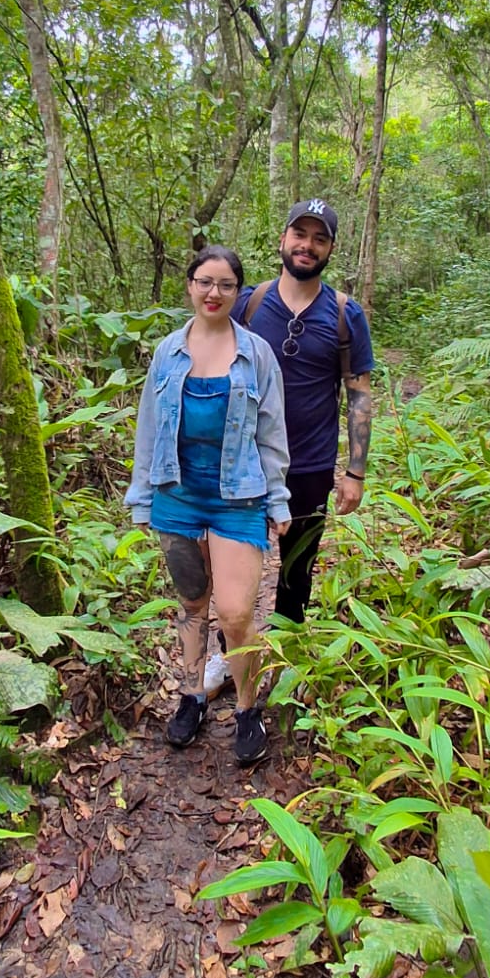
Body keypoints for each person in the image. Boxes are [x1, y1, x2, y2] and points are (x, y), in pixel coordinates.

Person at [124, 245, 291, 764]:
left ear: (237, 292)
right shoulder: (167, 353)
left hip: (237, 496)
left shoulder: (257, 353)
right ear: (190, 286)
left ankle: (246, 709)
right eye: (204, 281)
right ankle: (192, 695)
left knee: (238, 613)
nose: (213, 292)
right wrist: (142, 496)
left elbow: (271, 432)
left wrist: (278, 498)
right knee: (194, 606)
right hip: (177, 494)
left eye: (224, 284)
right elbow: (149, 428)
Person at [204, 199, 373, 694]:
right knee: (235, 569)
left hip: (310, 466)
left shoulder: (345, 315)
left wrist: (355, 471)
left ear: (330, 249)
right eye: (300, 234)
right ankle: (229, 655)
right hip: (242, 466)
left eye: (319, 238)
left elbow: (358, 395)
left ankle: (286, 656)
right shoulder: (250, 304)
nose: (307, 245)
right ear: (283, 239)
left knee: (297, 566)